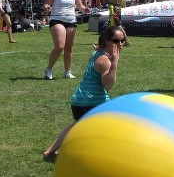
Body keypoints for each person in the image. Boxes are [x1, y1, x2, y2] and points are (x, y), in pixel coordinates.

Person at [43, 25, 126, 160]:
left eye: (122, 41)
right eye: (116, 41)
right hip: (93, 102)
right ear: (106, 40)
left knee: (77, 126)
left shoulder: (98, 53)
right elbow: (107, 85)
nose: (120, 44)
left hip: (78, 100)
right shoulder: (105, 60)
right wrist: (115, 64)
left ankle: (52, 150)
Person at [43, 0, 89, 80]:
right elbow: (47, 4)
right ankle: (49, 69)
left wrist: (85, 9)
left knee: (69, 48)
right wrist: (47, 7)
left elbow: (80, 6)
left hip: (71, 21)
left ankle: (67, 72)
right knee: (60, 46)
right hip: (57, 19)